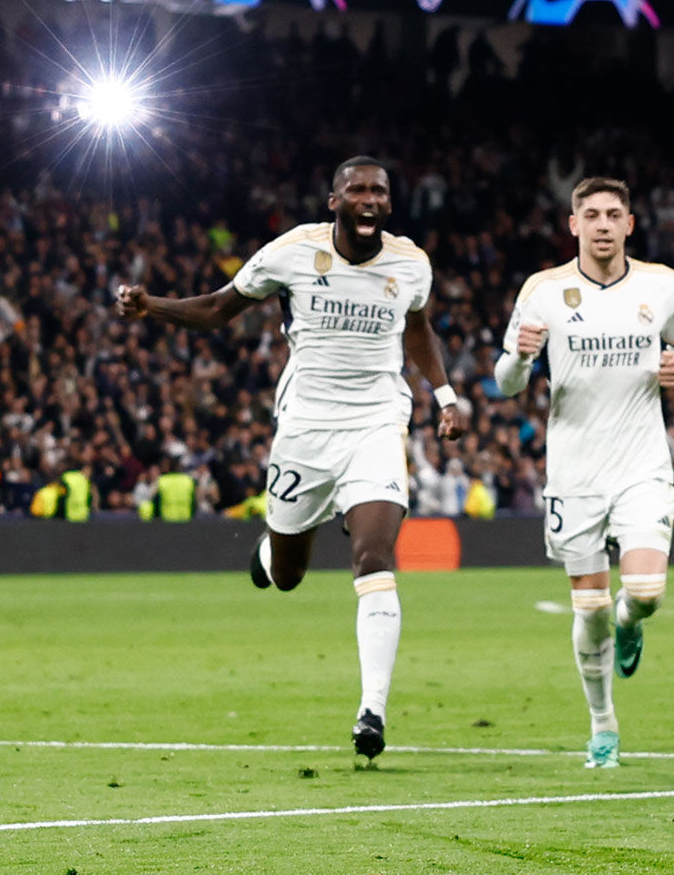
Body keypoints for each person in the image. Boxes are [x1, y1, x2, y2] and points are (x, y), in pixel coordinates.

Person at [117, 156, 462, 761]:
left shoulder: (410, 263)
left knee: (375, 555)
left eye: (379, 190)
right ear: (334, 200)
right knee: (288, 575)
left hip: (377, 420)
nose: (368, 199)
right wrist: (154, 307)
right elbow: (221, 307)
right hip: (305, 428)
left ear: (389, 201)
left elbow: (418, 329)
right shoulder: (292, 251)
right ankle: (269, 550)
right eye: (355, 189)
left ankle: (372, 711)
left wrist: (446, 393)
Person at [494, 177, 674, 769]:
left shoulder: (663, 286)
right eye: (592, 214)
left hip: (641, 464)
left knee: (644, 592)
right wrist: (520, 357)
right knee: (589, 609)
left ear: (631, 224)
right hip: (574, 472)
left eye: (614, 213)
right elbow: (506, 384)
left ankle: (631, 625)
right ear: (573, 224)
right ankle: (603, 726)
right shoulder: (543, 292)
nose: (603, 224)